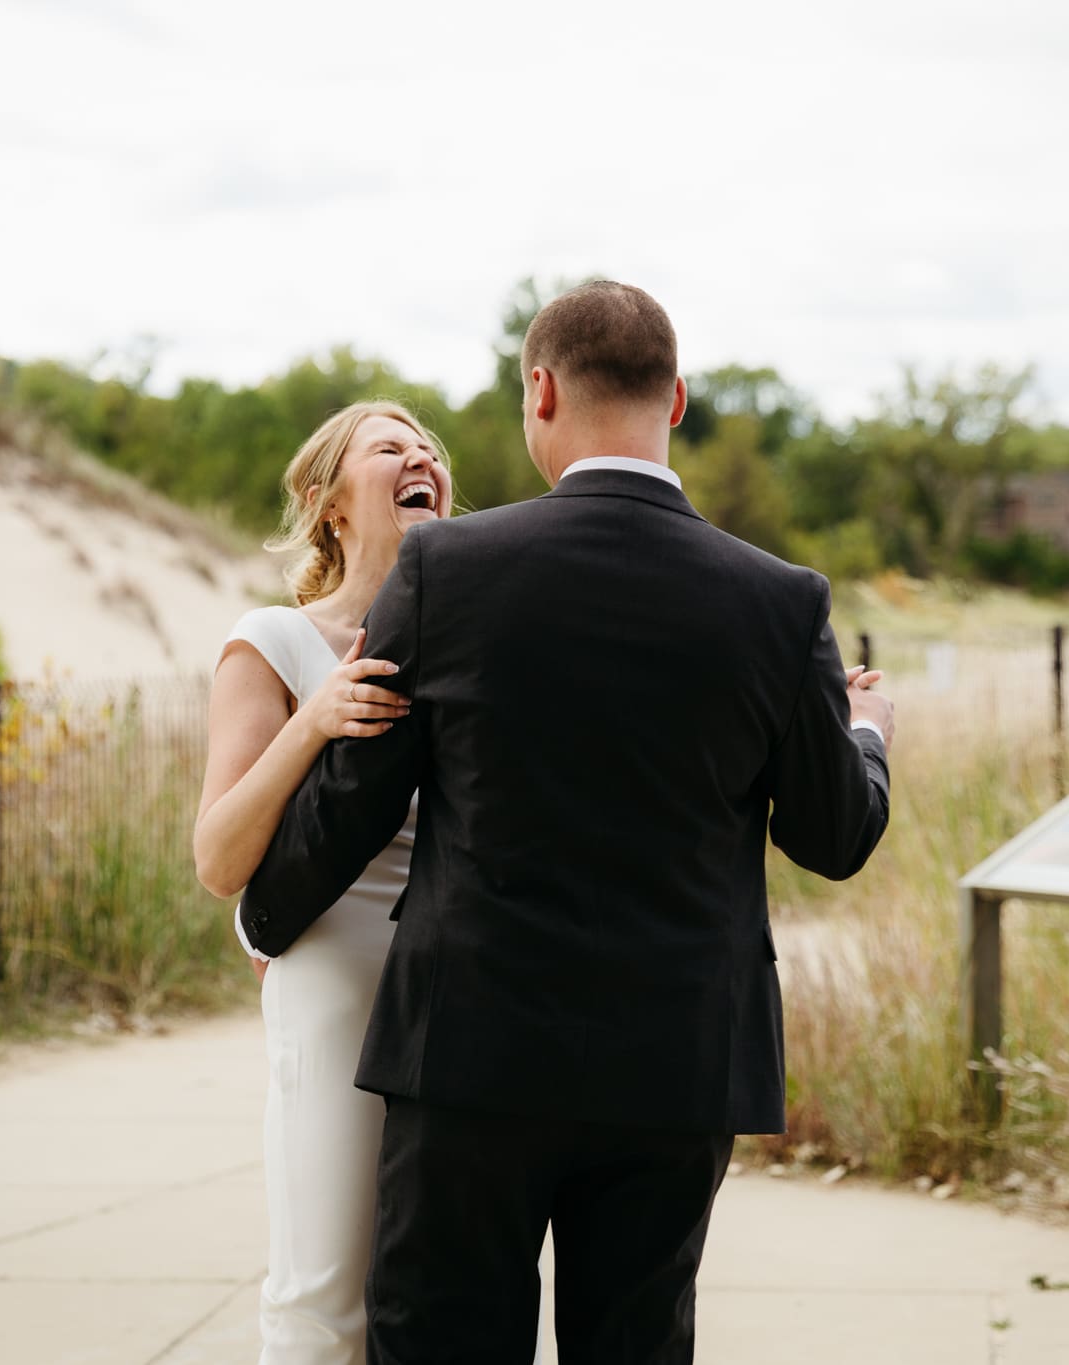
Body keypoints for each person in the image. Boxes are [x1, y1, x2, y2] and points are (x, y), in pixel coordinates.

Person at [239, 281, 895, 1364]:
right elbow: (834, 839)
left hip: (468, 1057)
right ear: (674, 399)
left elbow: (350, 807)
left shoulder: (449, 570)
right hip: (675, 1067)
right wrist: (863, 730)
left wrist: (269, 920)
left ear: (538, 390)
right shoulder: (782, 601)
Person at [193, 399, 448, 1365]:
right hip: (333, 992)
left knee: (435, 1303)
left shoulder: (468, 636)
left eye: (427, 450)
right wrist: (316, 718)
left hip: (459, 991)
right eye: (390, 448)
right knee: (322, 1298)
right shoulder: (272, 642)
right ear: (327, 503)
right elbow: (219, 857)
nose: (420, 457)